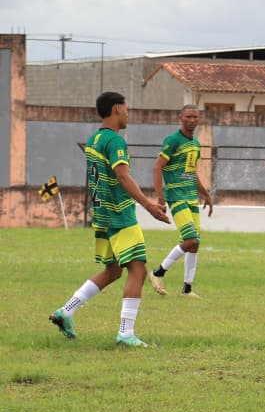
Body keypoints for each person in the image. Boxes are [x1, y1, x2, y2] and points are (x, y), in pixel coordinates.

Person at [49, 91, 171, 347]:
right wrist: (149, 206)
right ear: (117, 109)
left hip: (102, 214)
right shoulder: (115, 141)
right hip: (119, 214)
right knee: (138, 270)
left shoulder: (95, 138)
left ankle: (66, 311)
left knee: (113, 270)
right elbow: (123, 177)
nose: (128, 113)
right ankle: (126, 333)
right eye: (126, 108)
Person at [150, 104, 214, 297]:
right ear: (180, 118)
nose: (192, 120)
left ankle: (187, 289)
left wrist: (206, 193)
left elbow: (191, 172)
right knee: (190, 239)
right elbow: (157, 167)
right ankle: (157, 272)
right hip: (176, 196)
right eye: (188, 116)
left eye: (195, 117)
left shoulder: (195, 143)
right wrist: (160, 197)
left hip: (190, 197)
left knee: (195, 243)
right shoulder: (173, 140)